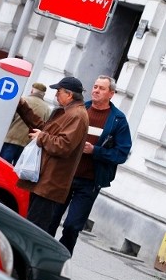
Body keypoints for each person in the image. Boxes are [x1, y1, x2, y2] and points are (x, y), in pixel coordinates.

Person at [48, 75, 132, 255]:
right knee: (51, 219)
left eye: (101, 88)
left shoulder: (117, 120)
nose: (96, 90)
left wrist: (95, 151)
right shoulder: (80, 109)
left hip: (89, 182)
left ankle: (60, 260)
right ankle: (42, 254)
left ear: (111, 93)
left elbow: (122, 153)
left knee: (72, 226)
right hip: (64, 176)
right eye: (95, 86)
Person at [16, 76, 89, 233]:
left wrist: (41, 137)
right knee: (31, 225)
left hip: (50, 184)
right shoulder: (67, 112)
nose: (56, 94)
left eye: (59, 91)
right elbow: (44, 129)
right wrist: (23, 107)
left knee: (33, 230)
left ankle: (27, 258)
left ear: (69, 95)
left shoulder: (77, 115)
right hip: (44, 180)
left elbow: (64, 146)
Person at [0, 82, 51, 165]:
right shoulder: (47, 109)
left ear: (32, 90)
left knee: (2, 166)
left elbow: (9, 119)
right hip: (28, 144)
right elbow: (45, 127)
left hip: (11, 139)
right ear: (43, 95)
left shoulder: (22, 101)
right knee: (16, 171)